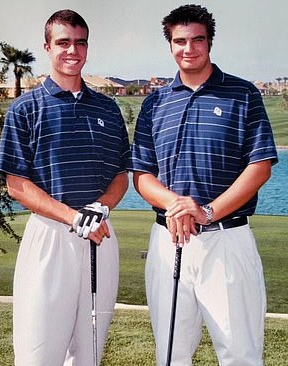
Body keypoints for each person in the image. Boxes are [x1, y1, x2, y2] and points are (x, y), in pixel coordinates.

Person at [128, 4, 278, 366]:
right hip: (168, 239)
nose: (188, 48)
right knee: (170, 354)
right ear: (169, 45)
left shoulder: (243, 95)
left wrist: (207, 211)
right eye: (180, 41)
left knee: (240, 354)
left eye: (198, 39)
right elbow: (142, 175)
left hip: (226, 239)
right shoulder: (155, 102)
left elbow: (259, 167)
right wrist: (178, 205)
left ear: (210, 42)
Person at [0, 9, 130, 366]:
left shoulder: (108, 108)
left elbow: (121, 175)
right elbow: (17, 185)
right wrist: (73, 216)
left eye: (80, 42)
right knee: (38, 353)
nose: (73, 50)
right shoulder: (25, 109)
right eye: (63, 42)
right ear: (47, 47)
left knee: (90, 354)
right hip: (50, 238)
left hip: (100, 233)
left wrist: (100, 207)